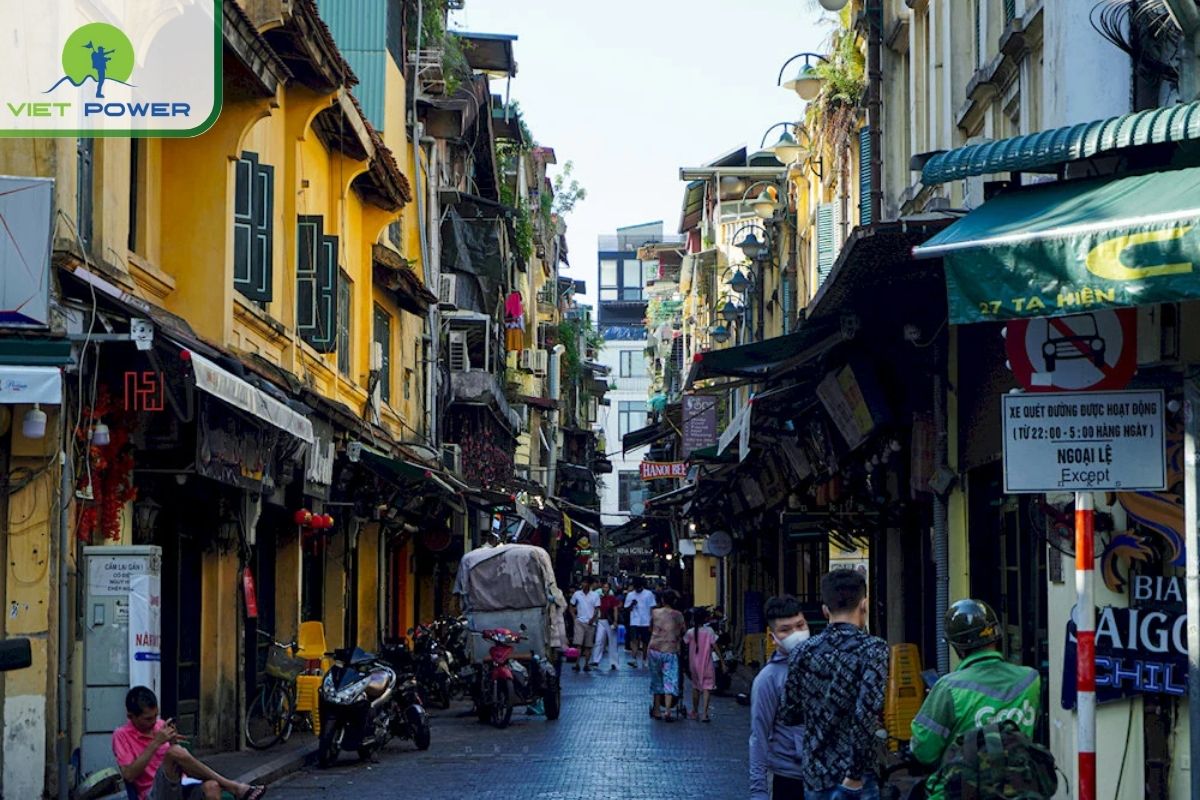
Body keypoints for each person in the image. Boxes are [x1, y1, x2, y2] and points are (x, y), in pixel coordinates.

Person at [911, 599, 1042, 800]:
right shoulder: (1031, 680)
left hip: (959, 792)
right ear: (996, 635)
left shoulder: (949, 688)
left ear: (957, 646)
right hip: (1019, 790)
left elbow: (925, 751)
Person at [780, 569, 889, 800]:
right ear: (864, 604)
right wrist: (855, 774)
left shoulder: (803, 651)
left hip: (816, 774)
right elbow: (866, 715)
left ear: (825, 609)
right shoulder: (873, 650)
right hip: (859, 777)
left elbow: (789, 712)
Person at [113, 685, 267, 800]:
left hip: (180, 784)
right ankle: (233, 786)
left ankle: (230, 786)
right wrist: (155, 744)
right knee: (174, 753)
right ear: (131, 716)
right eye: (148, 719)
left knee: (211, 788)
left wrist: (172, 741)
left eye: (155, 716)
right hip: (152, 793)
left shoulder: (160, 725)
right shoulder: (121, 735)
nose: (154, 722)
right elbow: (129, 775)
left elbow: (176, 758)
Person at [749, 595, 810, 800]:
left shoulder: (824, 666)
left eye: (800, 625)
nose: (796, 634)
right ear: (773, 636)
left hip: (827, 780)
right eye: (785, 630)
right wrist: (759, 791)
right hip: (789, 778)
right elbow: (759, 737)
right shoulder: (768, 679)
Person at [647, 589, 686, 721]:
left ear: (662, 600)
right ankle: (668, 710)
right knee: (670, 680)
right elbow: (682, 631)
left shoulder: (655, 612)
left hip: (654, 649)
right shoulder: (678, 615)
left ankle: (657, 709)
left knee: (656, 679)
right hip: (670, 650)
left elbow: (650, 628)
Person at [684, 606, 717, 722]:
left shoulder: (690, 632)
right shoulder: (710, 632)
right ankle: (705, 713)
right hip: (707, 664)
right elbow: (715, 646)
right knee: (707, 688)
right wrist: (722, 662)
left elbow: (685, 643)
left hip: (694, 665)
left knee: (696, 687)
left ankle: (694, 711)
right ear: (706, 619)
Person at [624, 576, 657, 668]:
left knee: (645, 641)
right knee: (634, 640)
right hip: (634, 621)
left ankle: (644, 659)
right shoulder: (630, 595)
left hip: (646, 621)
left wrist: (652, 620)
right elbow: (626, 608)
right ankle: (634, 658)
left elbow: (652, 607)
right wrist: (632, 604)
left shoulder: (649, 594)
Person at [570, 576, 601, 671]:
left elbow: (597, 609)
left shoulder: (595, 595)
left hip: (590, 623)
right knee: (578, 644)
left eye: (586, 583)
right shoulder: (577, 594)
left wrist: (593, 619)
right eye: (583, 582)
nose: (584, 585)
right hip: (580, 621)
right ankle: (577, 664)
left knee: (588, 645)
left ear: (590, 584)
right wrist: (574, 618)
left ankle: (586, 664)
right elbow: (571, 606)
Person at [590, 582, 622, 671]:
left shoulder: (612, 599)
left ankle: (614, 663)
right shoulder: (600, 598)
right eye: (604, 587)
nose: (605, 589)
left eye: (607, 587)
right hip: (601, 620)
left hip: (610, 621)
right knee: (598, 640)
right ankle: (596, 660)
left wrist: (615, 621)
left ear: (609, 588)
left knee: (612, 642)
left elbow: (615, 610)